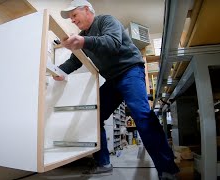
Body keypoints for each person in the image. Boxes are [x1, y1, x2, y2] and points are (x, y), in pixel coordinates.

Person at [54, 0, 180, 179]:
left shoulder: (106, 21)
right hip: (113, 80)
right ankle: (103, 162)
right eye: (71, 18)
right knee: (94, 116)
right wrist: (58, 71)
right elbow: (75, 61)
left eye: (74, 15)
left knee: (142, 116)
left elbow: (112, 42)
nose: (72, 20)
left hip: (130, 71)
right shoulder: (84, 36)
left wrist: (83, 41)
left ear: (88, 10)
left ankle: (167, 169)